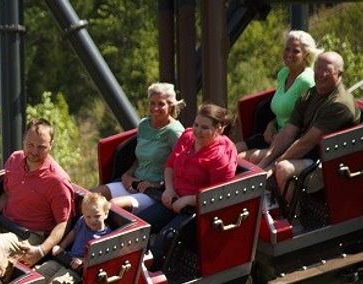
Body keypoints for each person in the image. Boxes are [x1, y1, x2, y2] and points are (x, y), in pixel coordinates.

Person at [0, 119, 74, 266]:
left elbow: (63, 223)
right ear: (23, 140)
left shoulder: (58, 180)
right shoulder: (15, 160)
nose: (34, 152)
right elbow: (9, 195)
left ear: (51, 145)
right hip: (4, 222)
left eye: (41, 147)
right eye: (30, 145)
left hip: (29, 235)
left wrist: (41, 251)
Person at [257, 51, 360, 200]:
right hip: (307, 153)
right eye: (318, 68)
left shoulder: (340, 105)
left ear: (339, 73)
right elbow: (288, 132)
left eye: (327, 70)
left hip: (327, 164)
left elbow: (307, 143)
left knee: (283, 168)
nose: (320, 73)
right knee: (256, 160)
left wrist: (273, 165)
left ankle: (296, 217)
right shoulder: (310, 94)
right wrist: (263, 164)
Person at [139, 103, 238, 233]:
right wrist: (169, 189)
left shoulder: (220, 157)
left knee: (166, 239)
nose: (197, 131)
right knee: (140, 225)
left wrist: (189, 200)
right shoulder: (187, 137)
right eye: (196, 125)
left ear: (218, 130)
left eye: (204, 127)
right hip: (173, 198)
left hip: (196, 211)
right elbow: (170, 166)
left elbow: (218, 196)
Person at [93, 83, 186, 213]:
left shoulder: (174, 133)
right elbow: (140, 158)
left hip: (154, 191)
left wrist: (157, 184)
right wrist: (128, 175)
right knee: (93, 198)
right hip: (135, 182)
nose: (155, 108)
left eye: (161, 104)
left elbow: (180, 168)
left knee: (113, 207)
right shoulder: (144, 125)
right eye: (152, 103)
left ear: (170, 106)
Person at [32, 193, 113, 284]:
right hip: (65, 259)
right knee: (40, 272)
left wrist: (84, 261)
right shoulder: (82, 221)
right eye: (88, 217)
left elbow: (101, 258)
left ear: (106, 214)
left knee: (57, 283)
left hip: (77, 269)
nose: (92, 220)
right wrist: (61, 246)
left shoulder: (106, 236)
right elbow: (73, 233)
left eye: (97, 216)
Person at [239, 31, 319, 161]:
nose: (289, 54)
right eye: (287, 49)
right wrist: (272, 124)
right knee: (232, 149)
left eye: (295, 51)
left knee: (241, 159)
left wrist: (284, 135)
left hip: (291, 142)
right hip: (274, 134)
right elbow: (283, 110)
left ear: (306, 55)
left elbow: (310, 122)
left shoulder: (307, 81)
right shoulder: (284, 74)